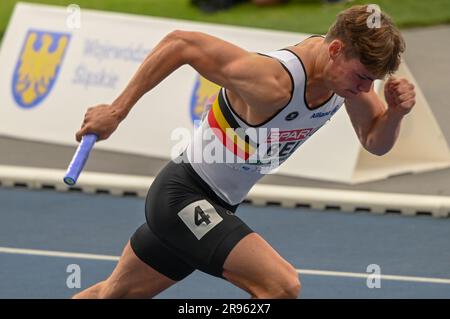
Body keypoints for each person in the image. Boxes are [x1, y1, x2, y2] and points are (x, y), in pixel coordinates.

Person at [73, 5, 415, 299]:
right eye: (362, 78)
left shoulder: (342, 81)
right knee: (281, 286)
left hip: (216, 206)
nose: (365, 89)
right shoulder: (274, 81)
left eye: (372, 81)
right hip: (183, 198)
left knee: (112, 295)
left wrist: (394, 113)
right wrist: (117, 110)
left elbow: (375, 141)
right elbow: (181, 43)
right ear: (336, 50)